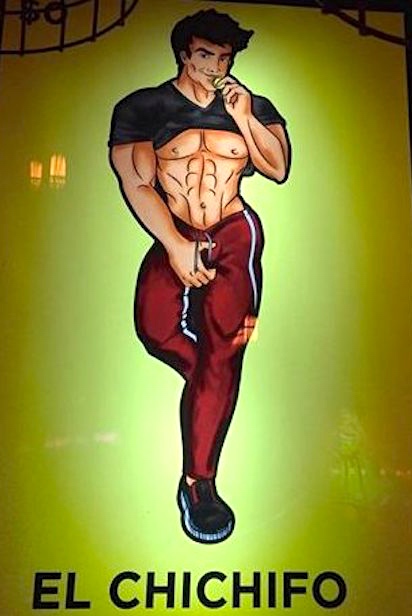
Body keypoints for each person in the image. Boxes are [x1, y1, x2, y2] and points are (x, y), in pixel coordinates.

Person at [109, 8, 290, 544]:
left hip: (234, 230)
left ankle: (199, 483)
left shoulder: (253, 105)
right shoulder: (143, 106)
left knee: (224, 347)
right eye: (206, 55)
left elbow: (277, 168)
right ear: (184, 54)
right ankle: (213, 385)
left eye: (225, 57)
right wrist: (174, 244)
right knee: (155, 329)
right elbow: (137, 183)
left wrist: (245, 117)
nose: (216, 66)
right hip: (177, 226)